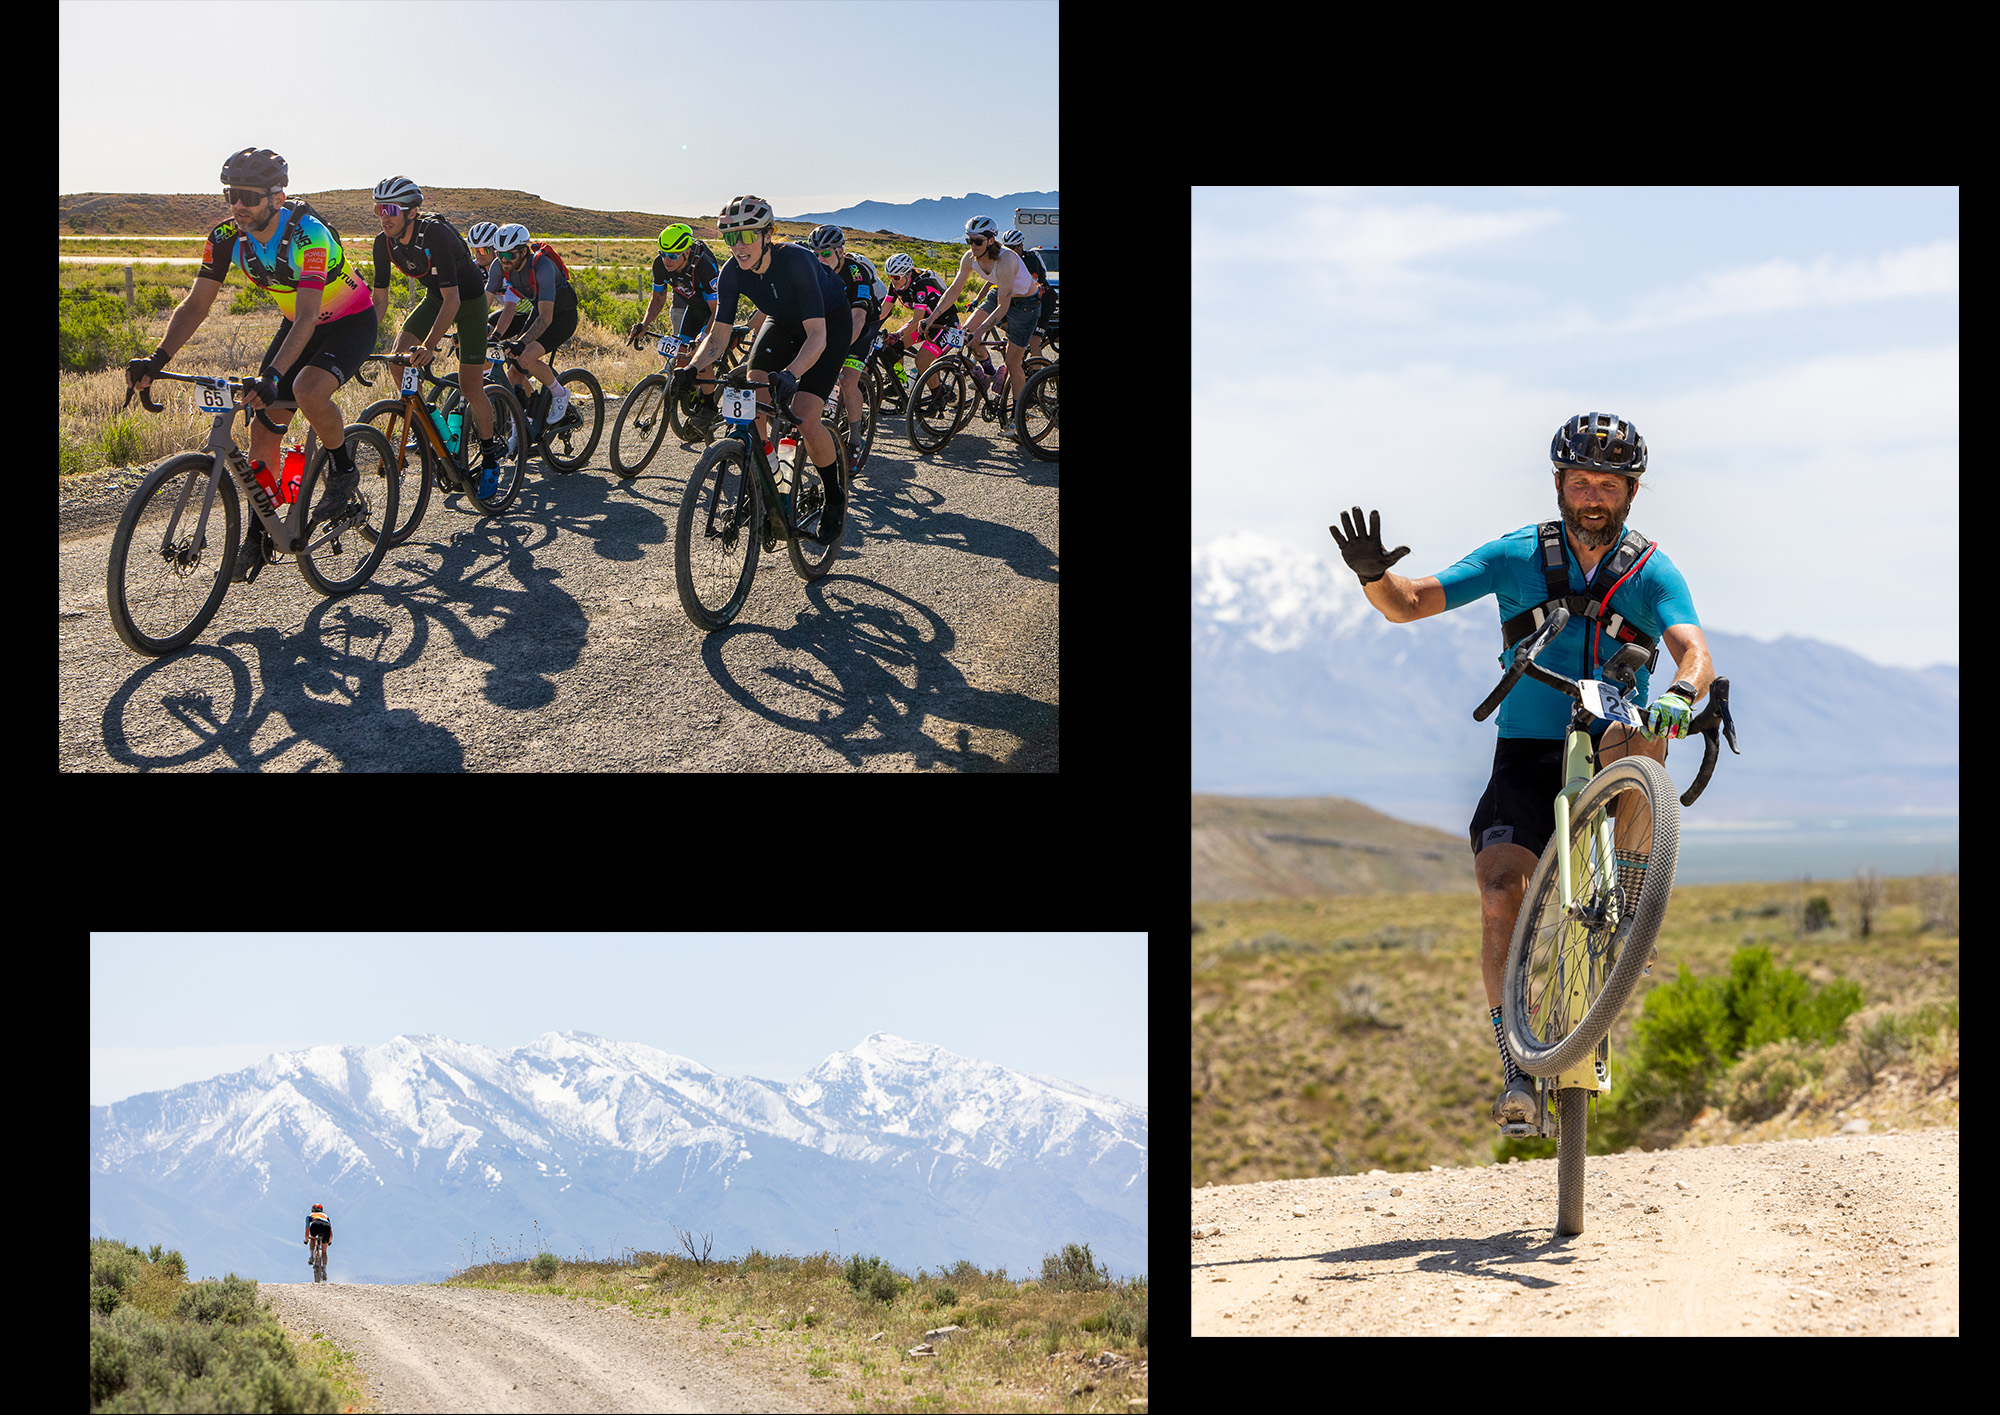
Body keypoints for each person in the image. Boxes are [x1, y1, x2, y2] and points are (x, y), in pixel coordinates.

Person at [1328, 412, 1717, 1129]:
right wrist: (1374, 576)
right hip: (1528, 747)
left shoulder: (1650, 569)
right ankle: (1516, 1065)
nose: (1592, 496)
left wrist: (1680, 693)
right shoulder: (1519, 556)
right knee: (1501, 890)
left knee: (1639, 741)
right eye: (1580, 482)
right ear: (1560, 485)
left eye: (1608, 483)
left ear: (1630, 491)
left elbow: (1693, 649)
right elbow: (1411, 603)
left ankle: (1631, 901)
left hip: (1614, 733)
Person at [126, 148, 378, 579]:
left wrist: (274, 375)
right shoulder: (224, 238)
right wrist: (157, 359)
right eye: (231, 195)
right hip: (298, 324)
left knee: (306, 390)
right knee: (262, 423)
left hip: (348, 321)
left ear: (276, 198)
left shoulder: (309, 236)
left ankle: (343, 468)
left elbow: (306, 316)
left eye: (248, 196)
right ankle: (261, 532)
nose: (238, 205)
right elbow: (197, 304)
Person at [368, 175, 506, 486]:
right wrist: (361, 341)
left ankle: (488, 459)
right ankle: (429, 423)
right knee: (396, 359)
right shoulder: (383, 243)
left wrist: (429, 346)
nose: (383, 217)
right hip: (436, 298)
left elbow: (454, 299)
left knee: (471, 388)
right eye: (379, 209)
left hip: (469, 303)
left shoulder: (437, 235)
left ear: (411, 212)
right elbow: (379, 301)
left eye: (390, 209)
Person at [304, 1202, 333, 1269]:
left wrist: (306, 1240)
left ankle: (311, 1256)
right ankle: (325, 1270)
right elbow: (331, 1232)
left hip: (315, 1225)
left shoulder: (309, 1216)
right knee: (324, 1251)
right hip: (326, 1227)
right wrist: (329, 1241)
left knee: (313, 1238)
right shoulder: (326, 1216)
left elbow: (307, 1232)